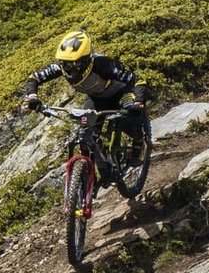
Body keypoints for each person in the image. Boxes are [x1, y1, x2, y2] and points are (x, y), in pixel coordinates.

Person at [21, 29, 150, 185]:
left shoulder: (104, 65)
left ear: (87, 59)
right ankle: (88, 179)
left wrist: (138, 102)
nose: (70, 68)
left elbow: (137, 80)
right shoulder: (60, 67)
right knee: (86, 134)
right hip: (97, 98)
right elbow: (34, 78)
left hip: (121, 93)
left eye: (76, 63)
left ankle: (139, 143)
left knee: (129, 116)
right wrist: (32, 97)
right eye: (65, 63)